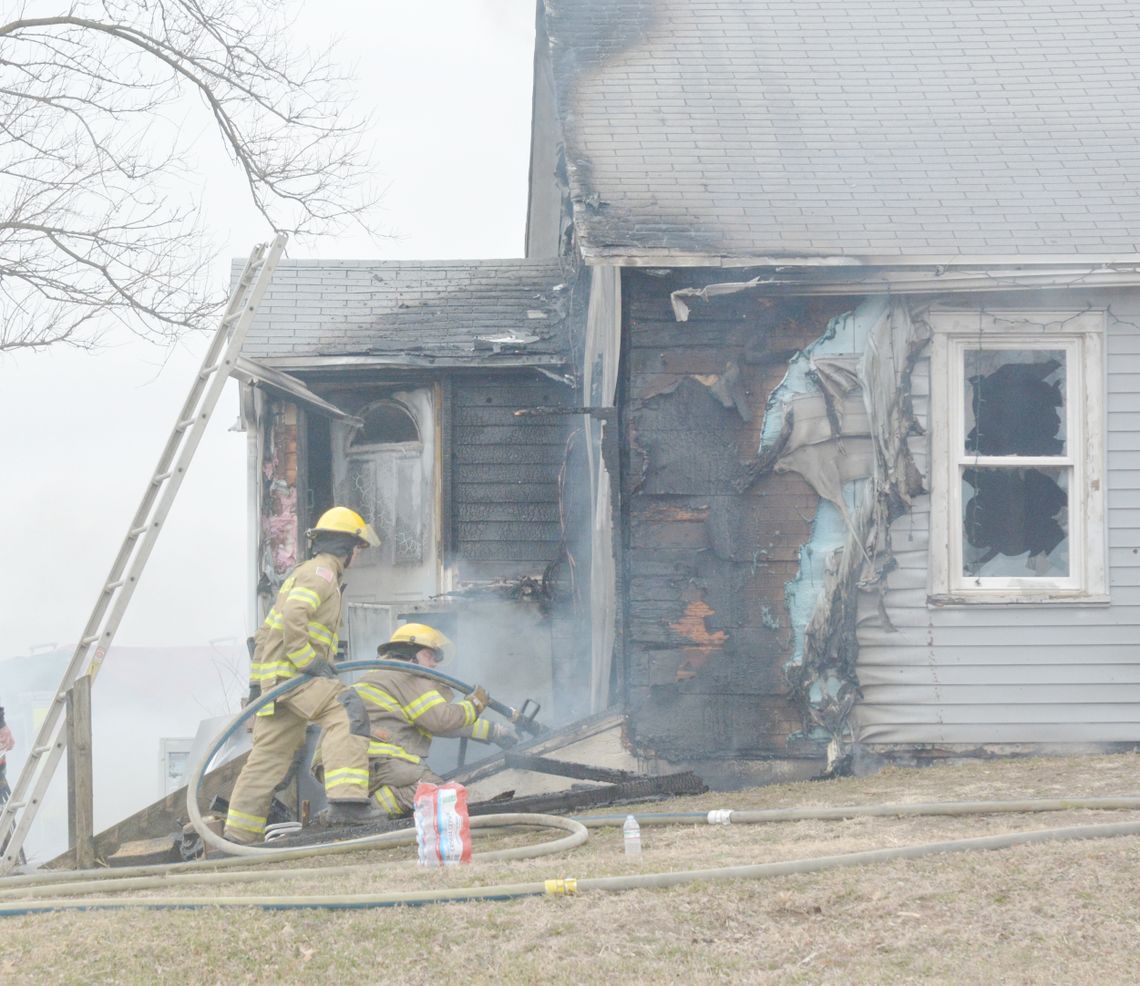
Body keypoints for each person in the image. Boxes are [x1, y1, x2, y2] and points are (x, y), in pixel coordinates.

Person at [223, 506, 383, 844]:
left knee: (267, 759)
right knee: (345, 707)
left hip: (276, 684)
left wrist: (257, 687)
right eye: (358, 549)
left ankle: (238, 836)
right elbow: (296, 614)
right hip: (294, 679)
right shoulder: (322, 573)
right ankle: (347, 802)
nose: (358, 556)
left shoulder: (305, 573)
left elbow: (266, 632)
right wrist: (307, 660)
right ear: (347, 548)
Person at [351, 623, 518, 818]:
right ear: (410, 652)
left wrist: (493, 731)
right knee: (438, 794)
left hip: (355, 761)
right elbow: (440, 719)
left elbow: (439, 723)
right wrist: (474, 705)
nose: (435, 664)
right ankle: (369, 810)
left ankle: (355, 806)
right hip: (380, 760)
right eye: (430, 655)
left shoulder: (378, 675)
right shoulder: (408, 676)